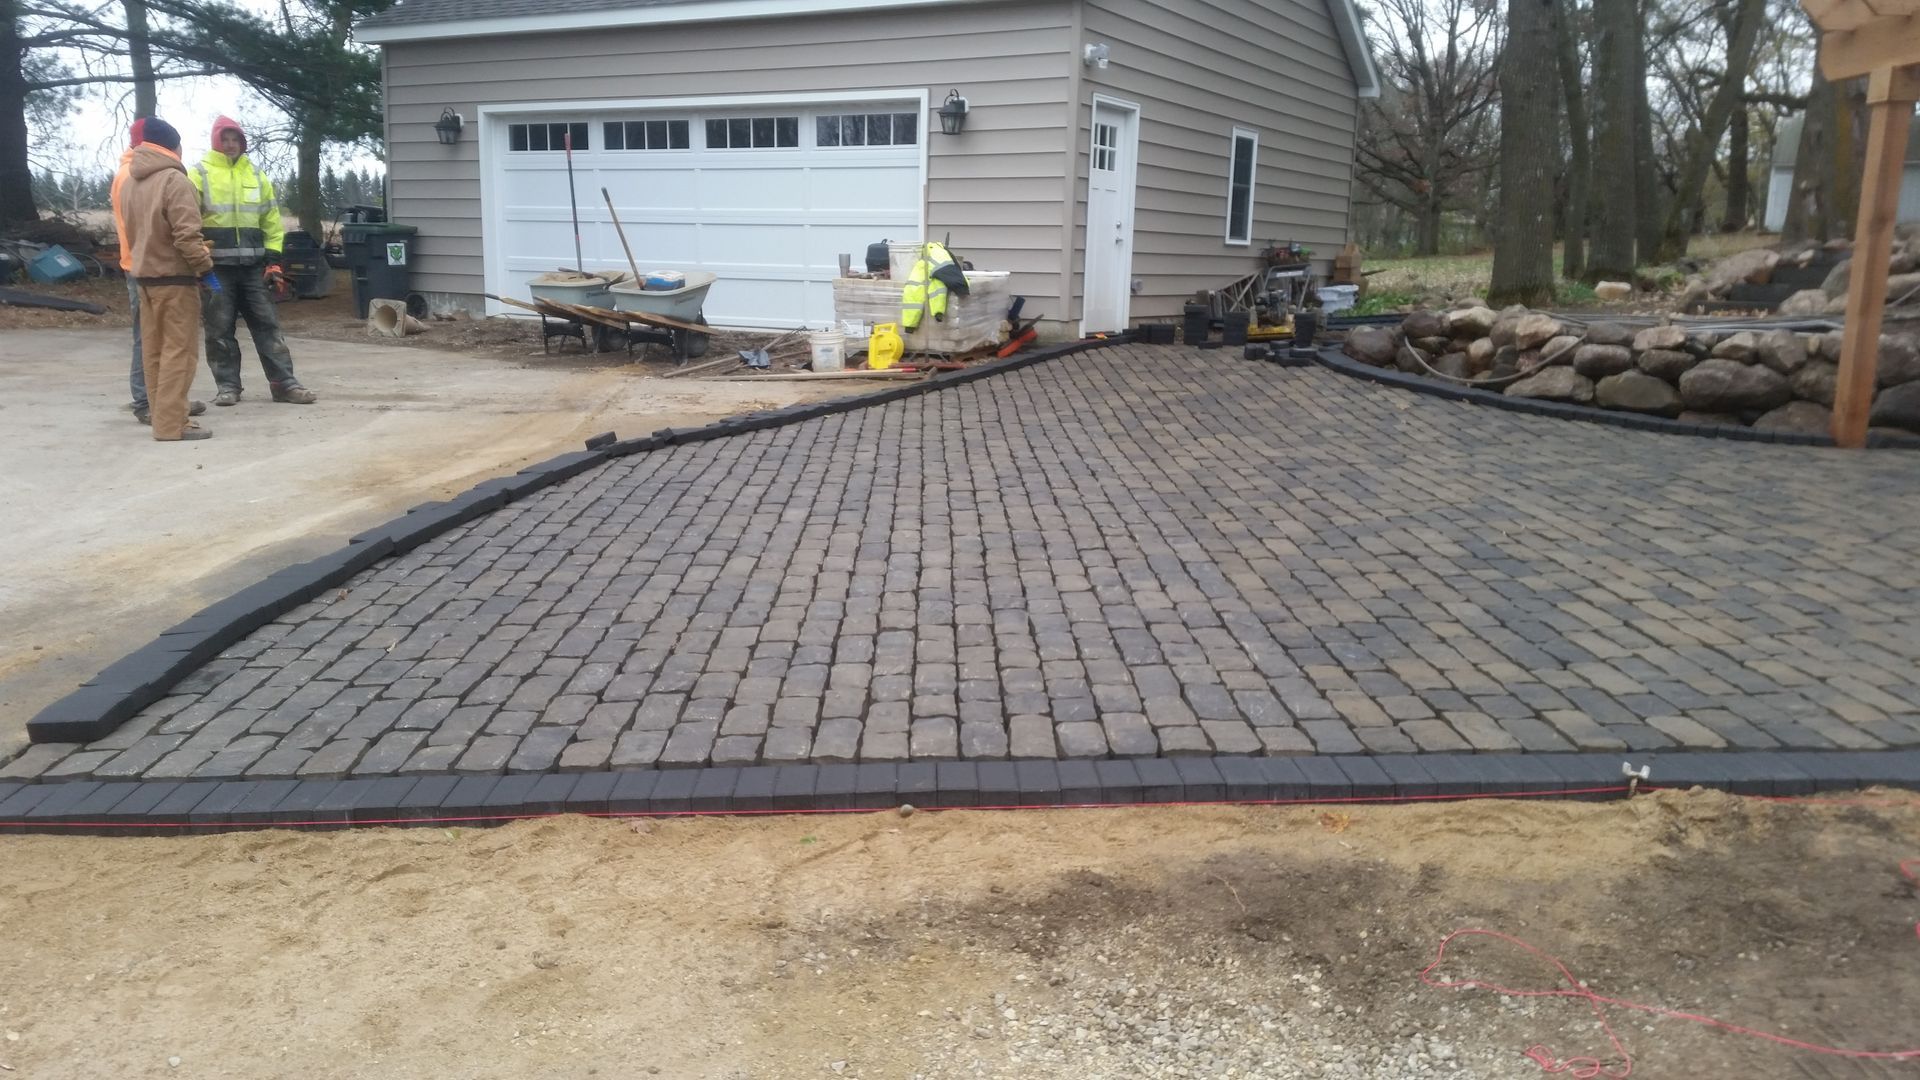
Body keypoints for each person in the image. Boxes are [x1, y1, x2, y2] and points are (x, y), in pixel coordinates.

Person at [191, 115, 317, 406]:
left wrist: (273, 260)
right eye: (225, 139)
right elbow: (188, 221)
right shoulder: (198, 174)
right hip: (215, 269)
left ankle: (284, 384)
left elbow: (271, 222)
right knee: (219, 329)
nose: (231, 145)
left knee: (268, 326)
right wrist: (197, 260)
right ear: (216, 141)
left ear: (242, 142)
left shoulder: (257, 176)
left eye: (235, 139)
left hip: (252, 268)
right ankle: (227, 387)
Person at [124, 118, 217, 442]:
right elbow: (186, 236)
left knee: (154, 352)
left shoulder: (130, 182)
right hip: (175, 281)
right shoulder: (174, 181)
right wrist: (207, 270)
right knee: (180, 353)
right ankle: (173, 425)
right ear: (174, 147)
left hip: (143, 279)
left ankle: (161, 419)